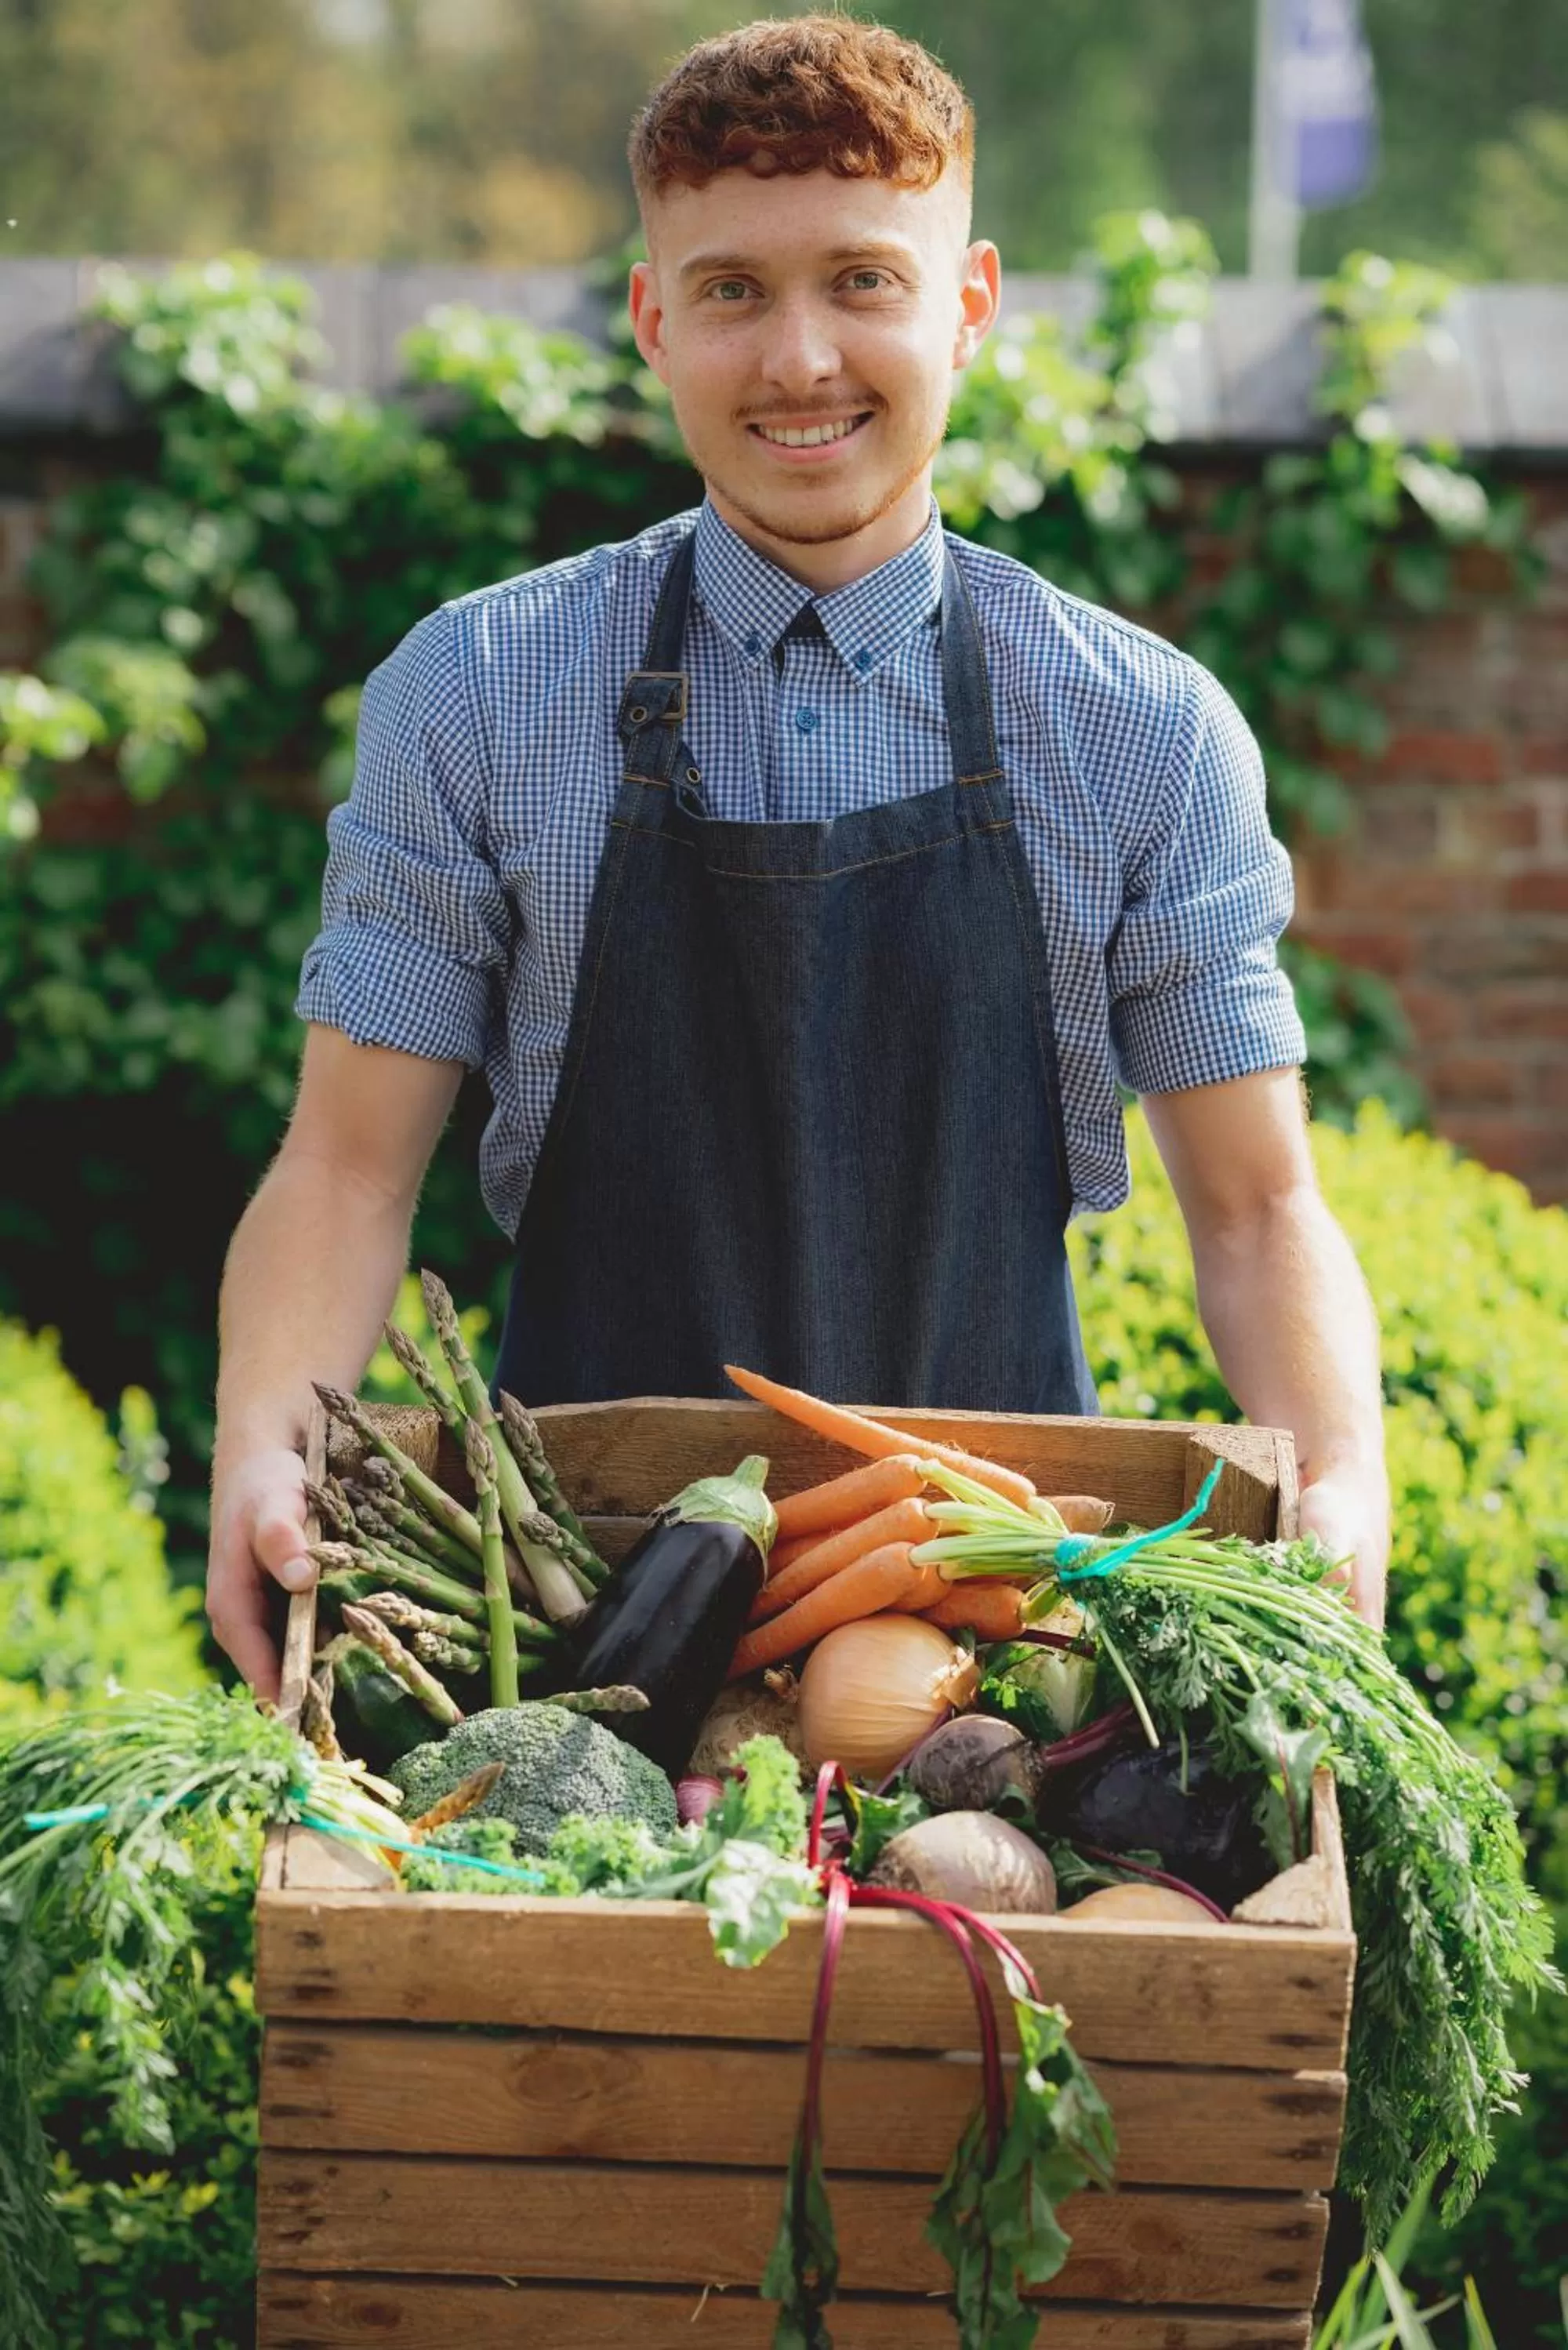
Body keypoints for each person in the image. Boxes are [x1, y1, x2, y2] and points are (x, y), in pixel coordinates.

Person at [207, 14, 1389, 1701]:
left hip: (996, 1625)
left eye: (863, 280)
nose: (800, 357)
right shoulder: (475, 693)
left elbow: (1261, 1206)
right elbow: (343, 1169)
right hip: (565, 1619)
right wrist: (263, 1440)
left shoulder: (1139, 727)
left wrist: (1343, 1474)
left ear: (969, 303)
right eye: (733, 292)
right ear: (652, 320)